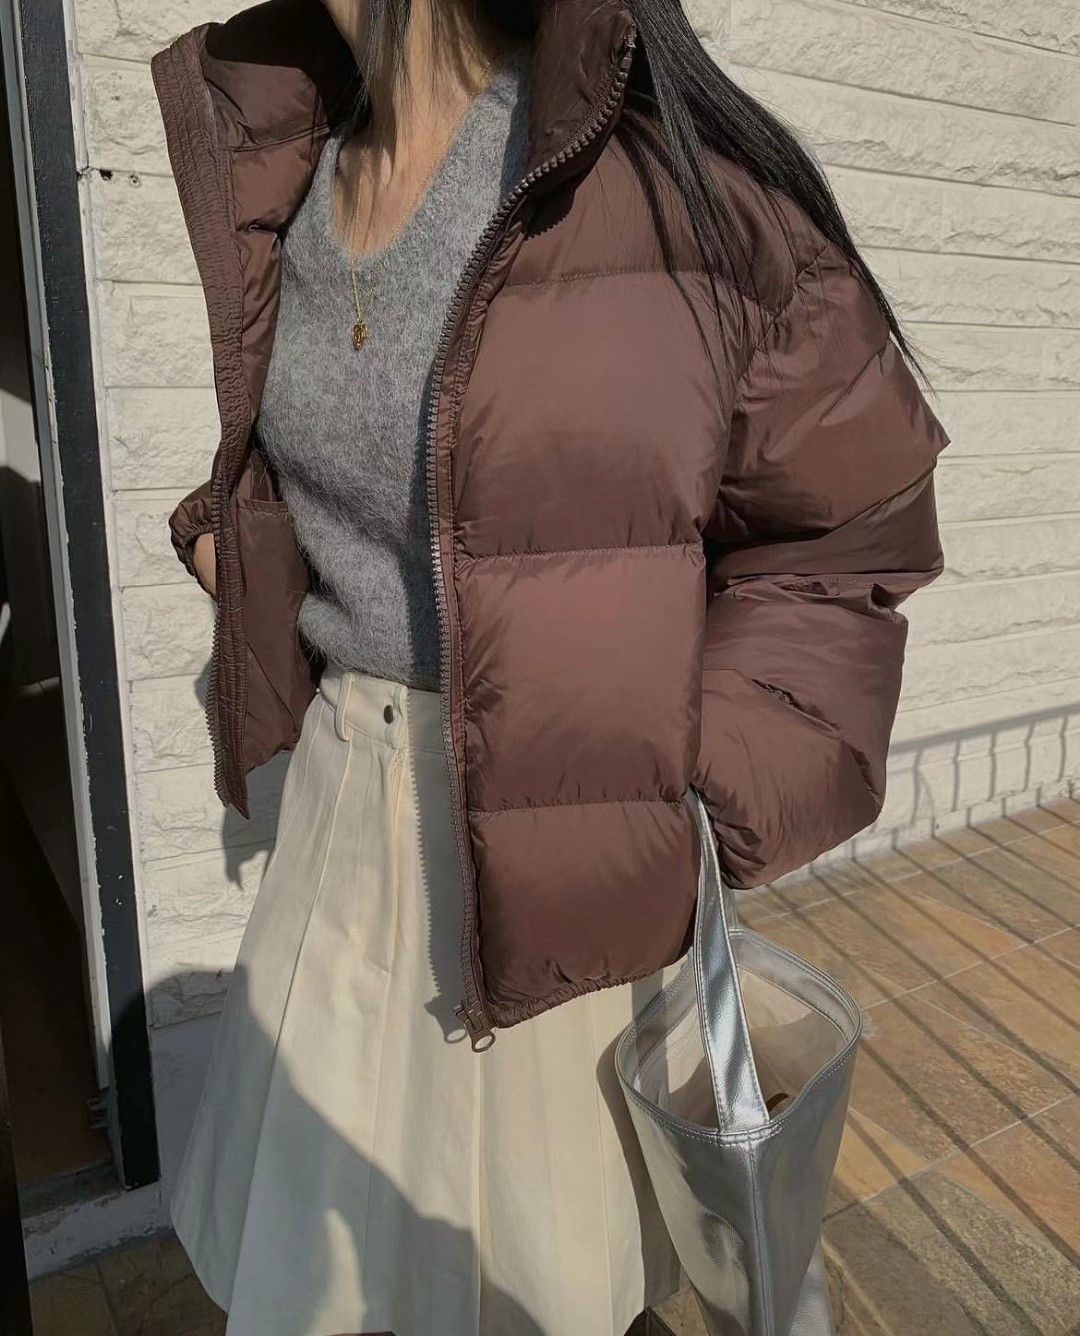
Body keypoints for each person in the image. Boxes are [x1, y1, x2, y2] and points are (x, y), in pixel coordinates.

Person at [150, 0, 948, 1330]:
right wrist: (242, 551)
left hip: (564, 872)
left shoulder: (670, 184)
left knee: (537, 1283)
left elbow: (847, 529)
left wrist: (680, 787)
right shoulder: (289, 167)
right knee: (325, 1283)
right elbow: (382, 491)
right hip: (340, 841)